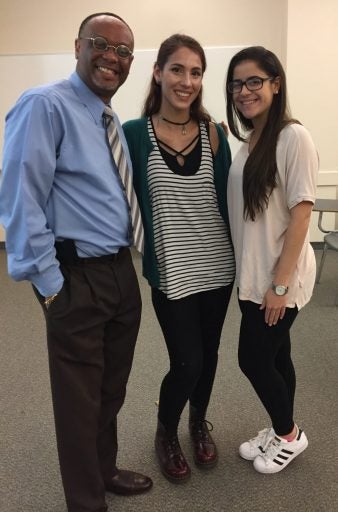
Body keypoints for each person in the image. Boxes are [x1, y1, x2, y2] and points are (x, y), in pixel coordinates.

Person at [0, 12, 153, 512]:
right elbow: (20, 200)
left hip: (119, 271)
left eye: (124, 51)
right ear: (78, 46)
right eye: (101, 44)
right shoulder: (45, 106)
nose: (112, 57)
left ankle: (103, 469)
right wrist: (49, 285)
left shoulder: (105, 117)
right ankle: (86, 502)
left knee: (111, 386)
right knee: (79, 400)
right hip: (74, 277)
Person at [123, 34, 235, 483]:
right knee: (186, 360)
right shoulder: (133, 134)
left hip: (218, 267)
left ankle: (196, 422)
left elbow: (229, 198)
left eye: (195, 72)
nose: (186, 81)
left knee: (208, 355)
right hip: (172, 273)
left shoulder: (213, 133)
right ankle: (166, 430)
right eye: (177, 69)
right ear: (158, 72)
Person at [225, 46, 318, 474]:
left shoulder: (292, 137)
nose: (244, 91)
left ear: (275, 84)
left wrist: (279, 286)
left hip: (278, 279)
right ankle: (280, 429)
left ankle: (288, 434)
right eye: (237, 83)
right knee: (278, 357)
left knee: (254, 360)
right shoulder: (251, 141)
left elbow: (302, 215)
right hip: (253, 275)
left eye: (255, 81)